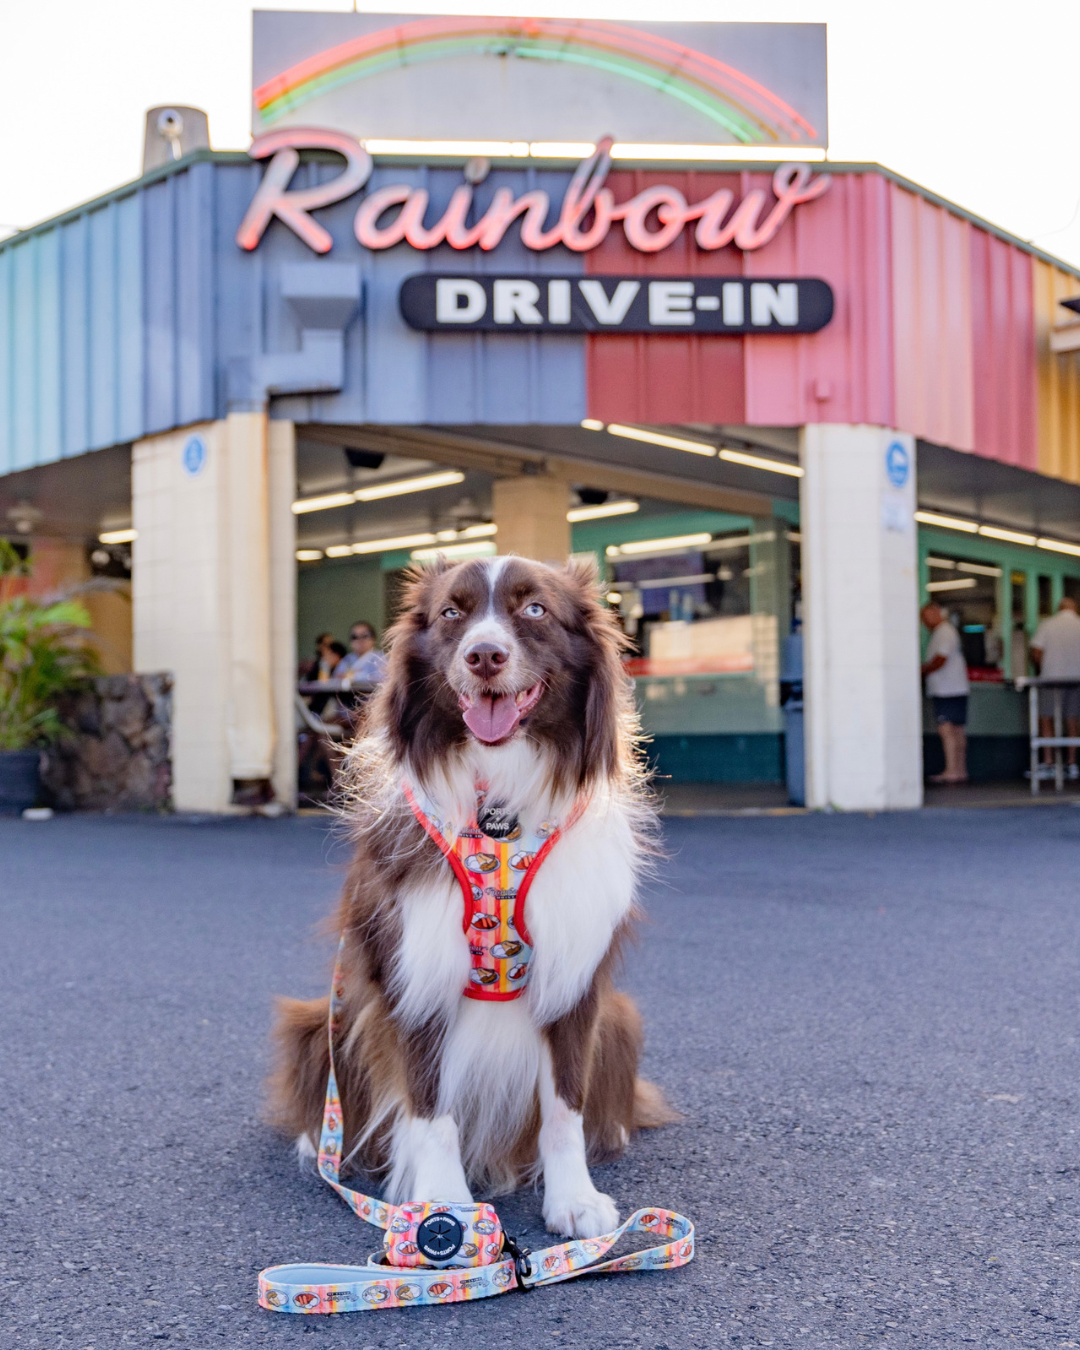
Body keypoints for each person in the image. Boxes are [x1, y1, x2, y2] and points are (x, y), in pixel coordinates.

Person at [1030, 596, 1080, 778]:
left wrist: (1042, 669)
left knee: (1046, 718)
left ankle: (1049, 762)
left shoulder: (1048, 624)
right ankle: (1072, 764)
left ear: (1059, 608)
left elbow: (1036, 652)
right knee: (1073, 720)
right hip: (1076, 679)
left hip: (1051, 678)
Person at [921, 603, 969, 784]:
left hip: (948, 689)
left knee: (947, 729)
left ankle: (952, 770)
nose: (924, 621)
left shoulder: (944, 632)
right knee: (956, 730)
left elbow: (940, 659)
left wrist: (921, 671)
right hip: (953, 688)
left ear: (936, 614)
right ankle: (959, 770)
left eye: (926, 616)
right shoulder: (943, 632)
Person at [335, 620, 388, 685]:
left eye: (365, 636)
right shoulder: (347, 659)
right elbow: (336, 677)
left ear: (373, 639)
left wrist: (353, 676)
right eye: (355, 637)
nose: (360, 640)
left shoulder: (380, 658)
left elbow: (382, 679)